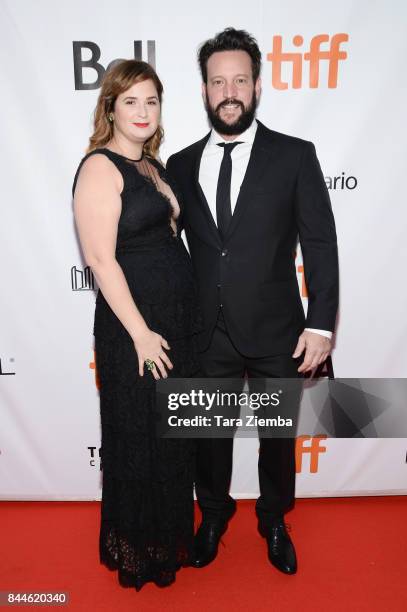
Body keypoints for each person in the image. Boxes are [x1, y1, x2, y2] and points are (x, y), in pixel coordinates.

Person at [166, 28, 339, 575]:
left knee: (278, 439)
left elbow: (319, 243)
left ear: (258, 86)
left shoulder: (294, 156)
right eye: (218, 81)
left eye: (240, 79)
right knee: (208, 438)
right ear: (204, 91)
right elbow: (172, 254)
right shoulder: (180, 163)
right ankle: (212, 516)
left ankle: (273, 519)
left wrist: (321, 325)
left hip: (277, 330)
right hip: (206, 332)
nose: (229, 90)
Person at [72, 60, 202, 590]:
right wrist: (141, 334)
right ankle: (141, 553)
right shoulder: (100, 167)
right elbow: (102, 261)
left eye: (152, 101)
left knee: (173, 436)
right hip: (136, 329)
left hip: (176, 323)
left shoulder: (155, 166)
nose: (143, 111)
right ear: (111, 108)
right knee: (139, 435)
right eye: (131, 101)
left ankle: (170, 540)